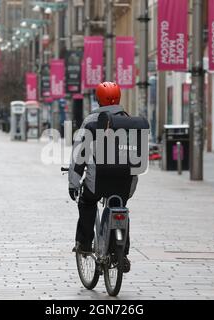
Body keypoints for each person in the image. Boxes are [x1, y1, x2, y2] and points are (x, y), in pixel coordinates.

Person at [68, 82, 138, 273]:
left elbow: (79, 155)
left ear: (98, 99)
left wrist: (73, 183)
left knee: (87, 201)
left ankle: (84, 243)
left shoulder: (91, 121)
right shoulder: (130, 121)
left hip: (98, 181)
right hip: (125, 180)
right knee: (120, 207)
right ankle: (122, 252)